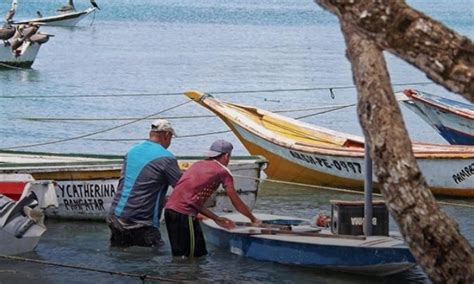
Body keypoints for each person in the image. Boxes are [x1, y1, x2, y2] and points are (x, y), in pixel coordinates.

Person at [164, 139, 261, 257]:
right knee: (189, 258)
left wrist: (215, 218)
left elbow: (192, 199)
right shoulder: (222, 171)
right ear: (226, 156)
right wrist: (253, 219)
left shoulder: (198, 164)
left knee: (193, 254)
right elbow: (235, 201)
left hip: (170, 211)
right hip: (185, 215)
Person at [107, 119, 182, 248]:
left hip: (115, 217)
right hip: (140, 222)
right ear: (167, 135)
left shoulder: (132, 151)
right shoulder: (167, 158)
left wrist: (163, 200)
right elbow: (183, 188)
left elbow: (136, 184)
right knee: (156, 256)